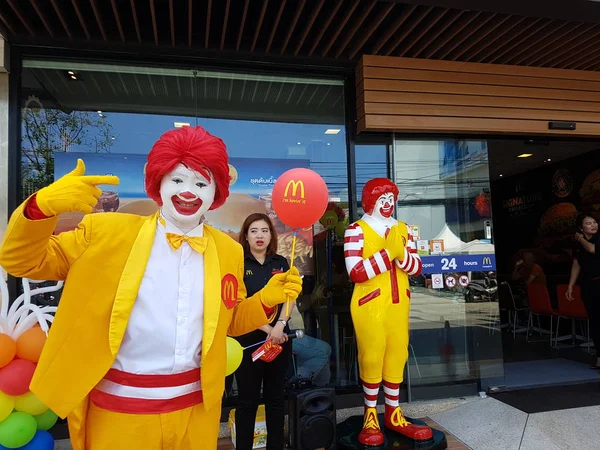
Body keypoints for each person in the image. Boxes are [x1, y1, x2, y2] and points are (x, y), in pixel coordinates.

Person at [0, 126, 302, 450]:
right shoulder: (105, 232)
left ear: (216, 194)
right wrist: (38, 210)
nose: (189, 192)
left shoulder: (227, 250)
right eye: (178, 180)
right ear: (158, 183)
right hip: (119, 414)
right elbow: (21, 262)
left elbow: (228, 321)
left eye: (201, 183)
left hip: (195, 414)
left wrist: (266, 299)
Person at [343, 178, 431, 446]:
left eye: (391, 199)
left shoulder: (403, 229)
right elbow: (356, 272)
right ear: (370, 201)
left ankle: (393, 412)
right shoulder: (355, 230)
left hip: (398, 303)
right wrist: (389, 253)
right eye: (382, 199)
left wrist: (398, 253)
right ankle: (370, 414)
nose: (388, 204)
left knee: (397, 353)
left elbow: (416, 267)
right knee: (372, 355)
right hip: (369, 304)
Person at [234, 213, 293, 450]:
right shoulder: (238, 264)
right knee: (247, 402)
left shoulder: (281, 263)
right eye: (254, 231)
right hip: (248, 341)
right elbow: (238, 303)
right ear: (246, 236)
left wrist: (279, 326)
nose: (260, 236)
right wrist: (268, 328)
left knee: (276, 400)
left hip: (279, 340)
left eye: (265, 231)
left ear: (271, 235)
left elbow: (290, 297)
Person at [567, 213, 599, 368]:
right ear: (581, 227)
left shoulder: (596, 239)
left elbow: (593, 249)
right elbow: (576, 264)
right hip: (588, 286)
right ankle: (599, 357)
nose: (593, 225)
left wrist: (580, 238)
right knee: (594, 321)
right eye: (588, 223)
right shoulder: (577, 245)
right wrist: (571, 285)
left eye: (594, 222)